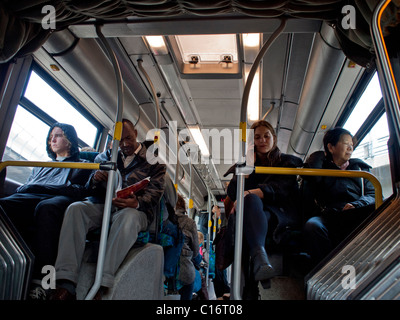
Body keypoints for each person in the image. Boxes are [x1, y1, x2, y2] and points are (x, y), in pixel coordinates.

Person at [50, 118, 166, 300]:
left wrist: (137, 202)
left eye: (129, 138)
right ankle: (66, 281)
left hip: (136, 210)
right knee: (76, 209)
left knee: (128, 217)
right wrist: (95, 179)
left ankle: (102, 282)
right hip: (105, 205)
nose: (126, 144)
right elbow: (88, 189)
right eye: (120, 141)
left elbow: (156, 192)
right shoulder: (104, 157)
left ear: (136, 134)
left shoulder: (154, 160)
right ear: (113, 140)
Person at [0, 123, 93, 299]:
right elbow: (26, 187)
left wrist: (49, 188)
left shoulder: (83, 165)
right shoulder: (41, 165)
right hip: (34, 195)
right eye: (51, 136)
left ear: (70, 141)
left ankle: (43, 282)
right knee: (4, 205)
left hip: (58, 198)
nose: (53, 139)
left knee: (47, 208)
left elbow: (80, 191)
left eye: (58, 135)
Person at [225, 120, 303, 284]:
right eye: (257, 138)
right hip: (255, 213)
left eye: (266, 136)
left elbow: (280, 190)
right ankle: (260, 261)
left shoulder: (288, 162)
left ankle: (254, 277)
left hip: (281, 213)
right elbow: (232, 193)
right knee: (250, 205)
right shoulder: (246, 164)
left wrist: (246, 193)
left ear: (274, 138)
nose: (262, 141)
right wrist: (247, 166)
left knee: (249, 205)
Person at [303, 127, 376, 266]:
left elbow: (373, 195)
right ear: (331, 147)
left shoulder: (360, 169)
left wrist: (357, 204)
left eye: (352, 145)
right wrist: (318, 155)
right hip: (330, 216)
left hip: (356, 211)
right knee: (312, 226)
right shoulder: (320, 168)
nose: (350, 148)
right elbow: (310, 179)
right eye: (346, 143)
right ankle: (326, 268)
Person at [175, 194, 201, 300]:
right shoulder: (190, 223)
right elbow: (195, 252)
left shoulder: (163, 219)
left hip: (163, 269)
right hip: (184, 271)